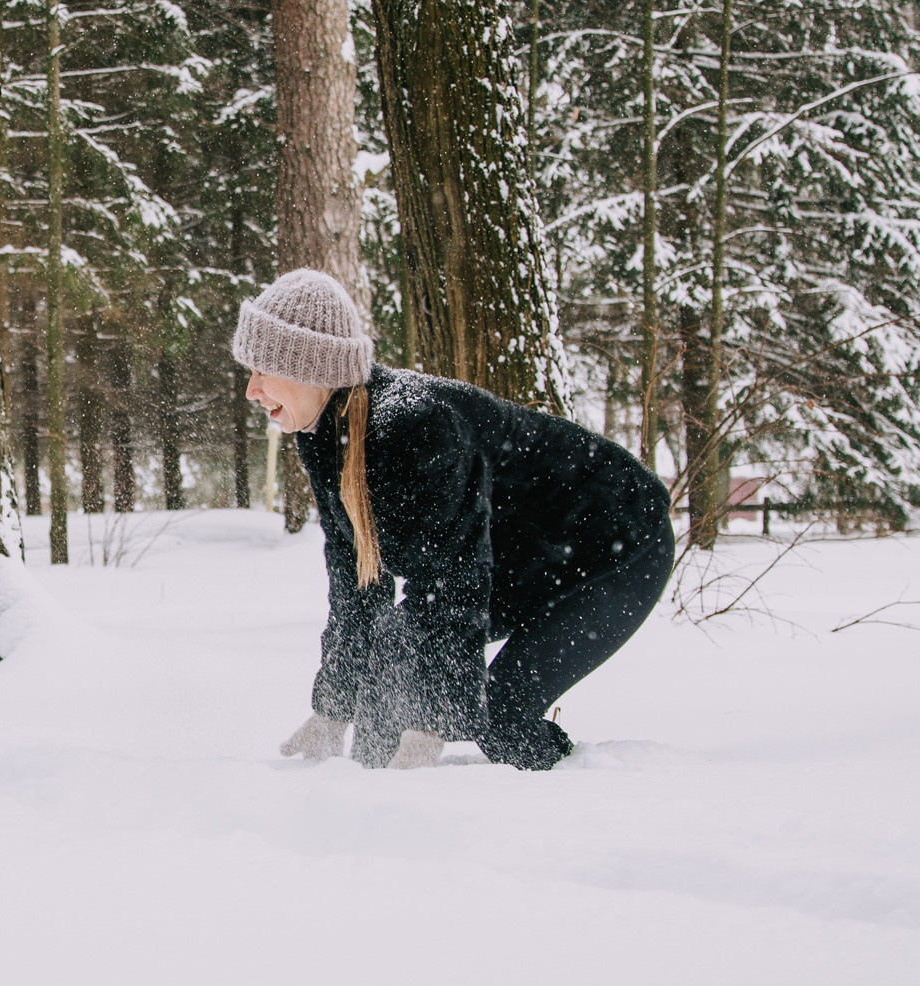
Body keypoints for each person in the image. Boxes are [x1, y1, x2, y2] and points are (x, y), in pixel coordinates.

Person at [235, 269, 674, 771]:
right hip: (527, 556)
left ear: (308, 367)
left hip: (618, 544)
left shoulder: (417, 427)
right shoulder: (326, 436)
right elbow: (358, 584)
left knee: (503, 719)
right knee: (394, 649)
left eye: (262, 369)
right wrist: (332, 715)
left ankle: (591, 787)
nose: (251, 390)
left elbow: (453, 580)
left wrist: (428, 730)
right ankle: (367, 798)